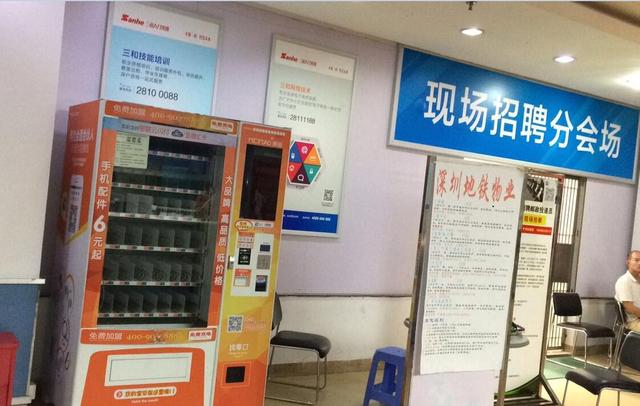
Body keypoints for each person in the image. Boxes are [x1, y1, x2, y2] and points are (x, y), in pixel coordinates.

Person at [614, 250, 640, 332]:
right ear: (628, 262)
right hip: (633, 322)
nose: (639, 263)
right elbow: (629, 308)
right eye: (636, 260)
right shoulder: (624, 281)